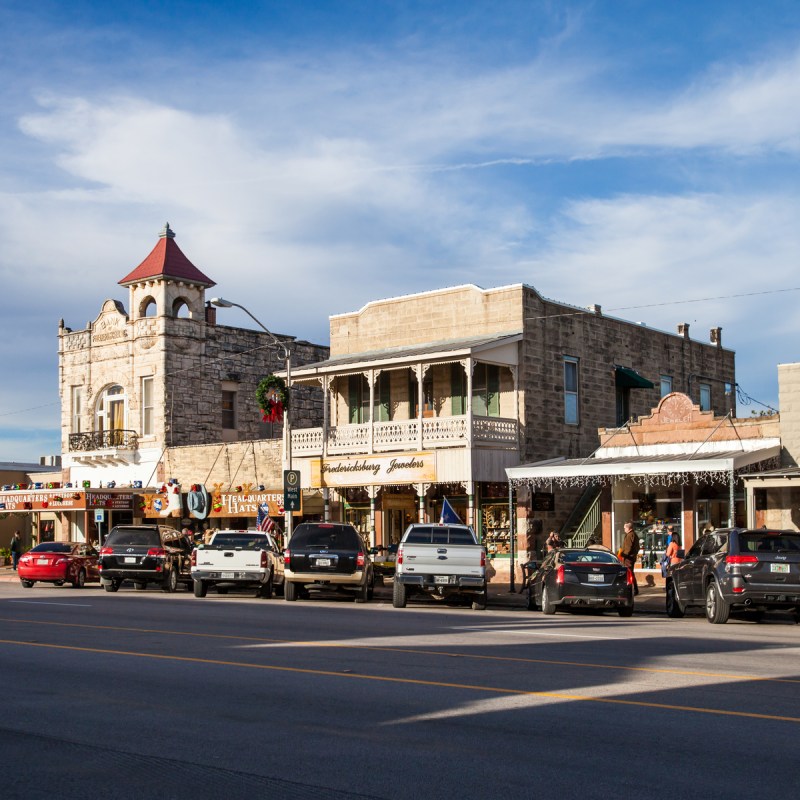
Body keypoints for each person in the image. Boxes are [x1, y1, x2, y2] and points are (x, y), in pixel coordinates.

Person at [619, 521, 641, 595]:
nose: (624, 529)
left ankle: (632, 590)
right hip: (631, 557)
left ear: (628, 528)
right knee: (630, 573)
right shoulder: (634, 535)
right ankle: (634, 589)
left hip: (628, 559)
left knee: (628, 574)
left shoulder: (629, 535)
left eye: (625, 527)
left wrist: (622, 554)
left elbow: (628, 548)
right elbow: (638, 547)